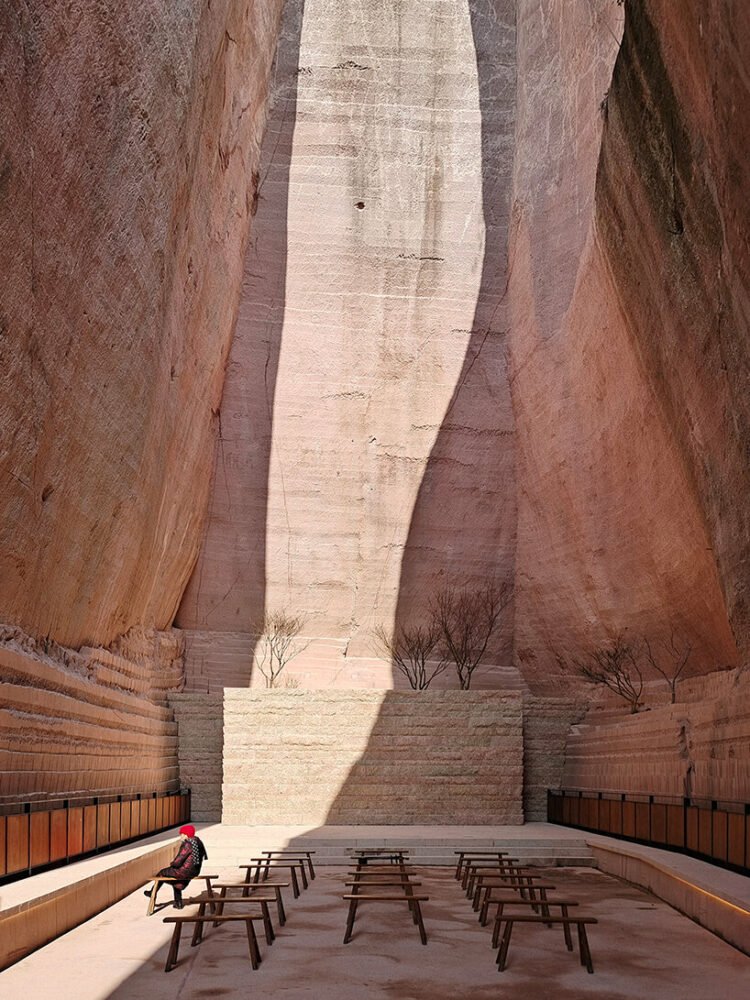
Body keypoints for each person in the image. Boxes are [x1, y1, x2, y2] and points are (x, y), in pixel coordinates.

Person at [143, 825, 208, 909]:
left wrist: (172, 864)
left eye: (181, 834)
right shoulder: (197, 842)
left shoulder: (188, 844)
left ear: (186, 835)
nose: (180, 836)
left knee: (162, 873)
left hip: (184, 871)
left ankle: (152, 892)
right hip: (194, 871)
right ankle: (178, 903)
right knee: (177, 882)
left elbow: (179, 860)